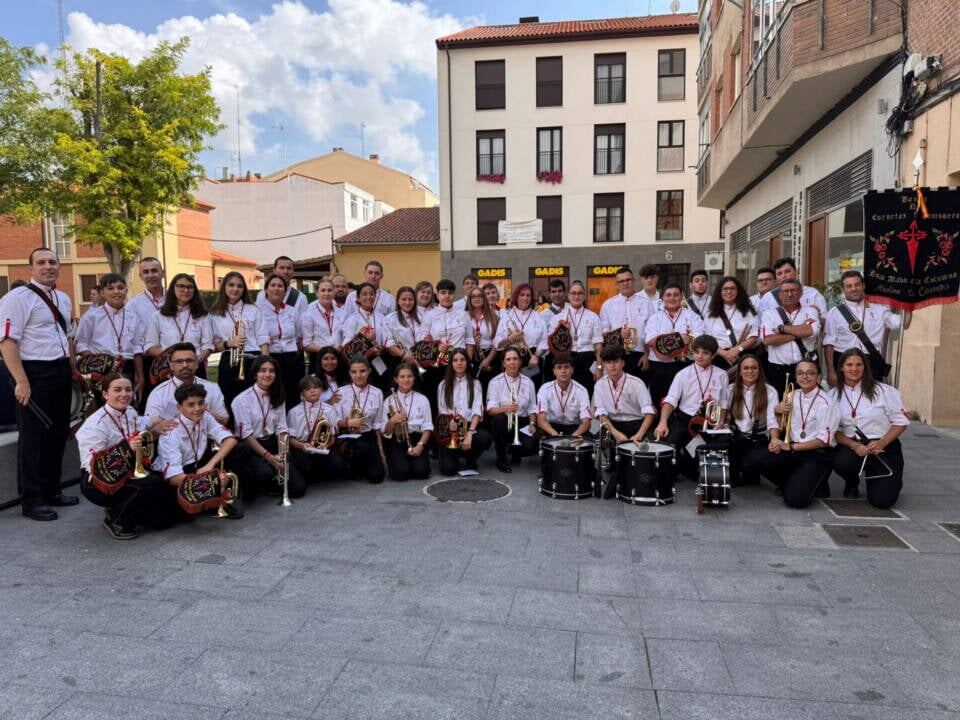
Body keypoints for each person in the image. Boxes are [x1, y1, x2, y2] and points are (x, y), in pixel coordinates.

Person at [0, 248, 77, 520]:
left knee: (58, 432)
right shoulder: (16, 299)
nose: (48, 266)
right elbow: (7, 341)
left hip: (60, 370)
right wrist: (21, 380)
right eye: (41, 262)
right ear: (30, 267)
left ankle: (52, 489)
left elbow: (67, 336)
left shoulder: (63, 298)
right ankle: (32, 499)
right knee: (33, 438)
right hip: (34, 372)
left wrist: (73, 369)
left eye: (52, 262)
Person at [75, 373, 182, 539]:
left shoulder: (129, 411)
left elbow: (145, 422)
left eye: (128, 390)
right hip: (98, 480)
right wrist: (125, 448)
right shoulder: (94, 425)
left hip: (130, 469)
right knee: (150, 483)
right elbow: (95, 466)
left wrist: (162, 424)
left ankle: (130, 509)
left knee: (164, 520)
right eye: (117, 390)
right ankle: (117, 520)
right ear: (105, 394)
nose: (124, 394)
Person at [832, 348, 908, 507]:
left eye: (859, 364)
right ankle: (852, 481)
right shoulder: (832, 395)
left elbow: (901, 422)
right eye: (849, 364)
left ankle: (889, 481)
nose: (854, 369)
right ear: (841, 367)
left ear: (865, 367)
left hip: (883, 446)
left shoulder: (884, 391)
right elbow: (834, 430)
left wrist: (882, 442)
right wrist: (854, 445)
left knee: (883, 502)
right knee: (842, 461)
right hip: (853, 446)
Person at [155, 382, 243, 518]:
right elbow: (174, 478)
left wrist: (210, 465)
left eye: (201, 403)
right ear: (179, 407)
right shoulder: (171, 433)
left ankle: (213, 500)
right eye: (191, 405)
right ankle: (211, 498)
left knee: (239, 450)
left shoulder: (205, 416)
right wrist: (210, 481)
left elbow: (230, 439)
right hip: (176, 476)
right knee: (172, 518)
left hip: (198, 465)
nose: (197, 408)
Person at [654, 335, 730, 480]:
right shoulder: (683, 374)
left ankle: (696, 467)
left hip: (710, 421)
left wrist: (721, 421)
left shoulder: (722, 375)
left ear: (713, 355)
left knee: (721, 448)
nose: (700, 356)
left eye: (705, 353)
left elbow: (724, 403)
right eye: (697, 352)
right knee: (667, 448)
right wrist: (663, 422)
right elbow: (670, 401)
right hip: (685, 420)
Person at [231, 355, 305, 500]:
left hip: (273, 443)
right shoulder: (241, 400)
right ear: (255, 374)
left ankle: (271, 478)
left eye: (271, 371)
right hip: (252, 447)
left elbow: (282, 428)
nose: (267, 374)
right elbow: (246, 436)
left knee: (298, 489)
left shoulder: (278, 395)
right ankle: (258, 479)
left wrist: (282, 455)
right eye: (262, 370)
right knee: (264, 473)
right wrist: (269, 457)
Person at [768, 359, 839, 508]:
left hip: (816, 453)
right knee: (756, 459)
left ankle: (814, 482)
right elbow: (779, 422)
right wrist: (777, 411)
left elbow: (824, 440)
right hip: (793, 449)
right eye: (800, 373)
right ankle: (795, 480)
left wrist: (792, 447)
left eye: (810, 373)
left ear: (819, 377)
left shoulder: (826, 403)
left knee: (795, 500)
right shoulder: (791, 395)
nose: (804, 376)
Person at [823, 270, 900, 385]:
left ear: (863, 286)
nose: (854, 288)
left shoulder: (879, 309)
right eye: (849, 286)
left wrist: (909, 308)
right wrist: (830, 371)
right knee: (845, 401)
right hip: (844, 362)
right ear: (843, 290)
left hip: (871, 362)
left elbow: (900, 323)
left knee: (872, 401)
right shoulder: (834, 313)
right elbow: (829, 344)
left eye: (857, 284)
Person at [74, 273, 143, 395]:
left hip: (128, 367)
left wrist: (140, 376)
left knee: (127, 405)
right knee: (104, 405)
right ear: (102, 292)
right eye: (110, 288)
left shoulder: (133, 317)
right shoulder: (91, 317)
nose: (116, 292)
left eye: (120, 288)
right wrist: (99, 362)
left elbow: (137, 347)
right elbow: (80, 344)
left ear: (126, 290)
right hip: (102, 369)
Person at [208, 272, 268, 413]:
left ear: (244, 289)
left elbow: (263, 337)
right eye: (231, 285)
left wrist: (265, 363)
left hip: (252, 359)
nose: (235, 289)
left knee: (255, 401)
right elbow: (214, 345)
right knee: (229, 399)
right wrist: (229, 343)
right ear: (224, 287)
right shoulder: (214, 313)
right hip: (228, 359)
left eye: (239, 286)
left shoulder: (254, 310)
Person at [644, 283, 705, 408]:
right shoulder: (654, 318)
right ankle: (660, 425)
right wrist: (680, 339)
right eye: (668, 295)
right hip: (658, 366)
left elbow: (698, 338)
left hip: (685, 364)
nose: (672, 298)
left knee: (685, 399)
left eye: (676, 295)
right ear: (662, 299)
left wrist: (665, 342)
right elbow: (650, 340)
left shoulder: (693, 317)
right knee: (658, 399)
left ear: (682, 297)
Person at [143, 273, 213, 379]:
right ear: (173, 288)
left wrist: (195, 361)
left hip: (195, 368)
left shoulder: (203, 315)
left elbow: (207, 345)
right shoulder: (158, 316)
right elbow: (150, 345)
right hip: (168, 369)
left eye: (190, 287)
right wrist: (170, 360)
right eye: (181, 286)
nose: (186, 290)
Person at [725, 354, 781, 486]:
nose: (750, 371)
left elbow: (772, 420)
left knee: (749, 470)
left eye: (754, 368)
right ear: (739, 371)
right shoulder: (731, 389)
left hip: (758, 440)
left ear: (759, 370)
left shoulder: (770, 391)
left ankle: (749, 469)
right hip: (737, 438)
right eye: (746, 368)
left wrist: (774, 438)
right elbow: (726, 414)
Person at [540, 281, 603, 394]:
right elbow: (552, 345)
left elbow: (598, 345)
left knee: (586, 395)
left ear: (584, 296)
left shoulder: (593, 317)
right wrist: (562, 330)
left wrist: (599, 367)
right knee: (566, 395)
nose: (576, 296)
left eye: (580, 293)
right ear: (568, 296)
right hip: (566, 358)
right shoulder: (558, 318)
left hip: (587, 358)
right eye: (573, 293)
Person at [436, 348, 492, 475]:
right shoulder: (443, 385)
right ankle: (453, 456)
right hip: (450, 427)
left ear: (467, 362)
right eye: (455, 360)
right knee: (448, 470)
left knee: (485, 438)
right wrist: (450, 424)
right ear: (451, 364)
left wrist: (470, 433)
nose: (459, 363)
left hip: (468, 425)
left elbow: (478, 410)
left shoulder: (476, 383)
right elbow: (442, 410)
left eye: (462, 360)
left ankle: (470, 457)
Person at [760, 279, 820, 395]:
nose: (789, 294)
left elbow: (811, 330)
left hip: (806, 368)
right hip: (778, 370)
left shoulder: (811, 311)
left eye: (794, 290)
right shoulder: (769, 314)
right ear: (779, 294)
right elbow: (768, 340)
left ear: (801, 293)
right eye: (785, 291)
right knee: (780, 407)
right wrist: (800, 331)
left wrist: (782, 329)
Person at [418, 279, 468, 418]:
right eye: (443, 293)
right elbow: (422, 339)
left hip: (458, 363)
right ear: (438, 295)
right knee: (435, 397)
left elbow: (469, 341)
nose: (447, 296)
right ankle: (438, 430)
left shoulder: (463, 315)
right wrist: (436, 345)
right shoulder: (429, 315)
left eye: (450, 293)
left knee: (457, 396)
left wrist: (468, 362)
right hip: (437, 364)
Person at [145, 343, 229, 425]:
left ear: (196, 364)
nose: (185, 365)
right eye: (179, 361)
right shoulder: (159, 393)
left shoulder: (211, 387)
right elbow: (149, 427)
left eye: (189, 360)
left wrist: (206, 414)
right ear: (171, 366)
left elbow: (224, 420)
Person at [287, 375, 350, 483]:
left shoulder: (329, 410)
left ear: (321, 390)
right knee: (306, 467)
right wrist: (302, 446)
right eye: (307, 389)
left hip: (323, 448)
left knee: (339, 466)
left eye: (315, 387)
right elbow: (291, 439)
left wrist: (327, 445)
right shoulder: (293, 412)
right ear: (302, 393)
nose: (312, 391)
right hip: (302, 448)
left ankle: (318, 472)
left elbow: (333, 436)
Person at [486, 347, 538, 473]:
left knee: (533, 444)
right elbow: (490, 410)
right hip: (504, 420)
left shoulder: (528, 382)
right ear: (504, 363)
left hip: (522, 421)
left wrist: (532, 423)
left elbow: (532, 408)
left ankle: (515, 451)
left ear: (520, 362)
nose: (512, 362)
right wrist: (506, 408)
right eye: (508, 359)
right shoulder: (495, 382)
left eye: (515, 359)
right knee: (498, 420)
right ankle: (501, 460)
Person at [335, 355, 386, 483]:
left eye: (362, 371)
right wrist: (348, 422)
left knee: (377, 476)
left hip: (368, 435)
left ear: (369, 371)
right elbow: (334, 421)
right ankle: (351, 466)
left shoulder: (377, 392)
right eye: (354, 372)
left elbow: (377, 423)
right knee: (361, 449)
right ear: (349, 373)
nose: (358, 375)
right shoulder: (341, 392)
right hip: (348, 435)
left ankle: (364, 465)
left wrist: (380, 450)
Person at [591, 345, 657, 444]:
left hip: (636, 424)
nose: (612, 366)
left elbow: (650, 413)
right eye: (608, 362)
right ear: (604, 365)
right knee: (598, 441)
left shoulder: (637, 383)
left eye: (616, 361)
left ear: (623, 363)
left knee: (650, 444)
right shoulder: (599, 385)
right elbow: (601, 414)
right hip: (613, 425)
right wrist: (615, 433)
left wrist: (639, 435)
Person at [381, 363, 433, 482]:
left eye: (409, 376)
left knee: (422, 472)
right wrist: (392, 421)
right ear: (396, 379)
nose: (406, 380)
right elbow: (385, 431)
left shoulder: (422, 399)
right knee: (400, 474)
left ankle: (410, 462)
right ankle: (398, 461)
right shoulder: (388, 401)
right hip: (397, 440)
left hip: (417, 439)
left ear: (414, 378)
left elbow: (428, 427)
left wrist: (420, 446)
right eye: (402, 377)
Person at [128, 257, 166, 411]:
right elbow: (134, 339)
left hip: (176, 359)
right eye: (146, 272)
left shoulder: (176, 298)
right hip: (149, 362)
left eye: (154, 270)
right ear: (140, 276)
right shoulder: (133, 305)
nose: (151, 275)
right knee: (151, 406)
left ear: (162, 273)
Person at [260, 273, 303, 410]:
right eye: (273, 285)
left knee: (293, 397)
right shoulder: (258, 312)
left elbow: (297, 335)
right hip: (272, 358)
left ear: (285, 291)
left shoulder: (292, 312)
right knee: (274, 398)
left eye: (280, 286)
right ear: (266, 289)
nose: (276, 289)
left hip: (292, 359)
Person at [599, 266, 650, 379]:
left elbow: (650, 333)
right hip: (615, 356)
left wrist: (647, 355)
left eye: (628, 280)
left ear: (634, 281)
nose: (625, 283)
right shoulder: (608, 305)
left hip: (639, 356)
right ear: (616, 284)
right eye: (621, 281)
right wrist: (618, 334)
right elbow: (604, 334)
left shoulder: (646, 304)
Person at [702, 276, 759, 370]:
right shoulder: (710, 314)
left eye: (732, 288)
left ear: (738, 291)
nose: (729, 292)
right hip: (719, 357)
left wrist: (737, 350)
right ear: (719, 292)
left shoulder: (749, 311)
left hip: (744, 356)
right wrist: (725, 354)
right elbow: (708, 340)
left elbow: (754, 337)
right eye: (725, 289)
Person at [342, 281, 391, 391]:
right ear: (358, 298)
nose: (368, 297)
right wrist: (365, 340)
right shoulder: (352, 320)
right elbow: (346, 348)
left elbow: (387, 340)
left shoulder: (382, 318)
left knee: (382, 388)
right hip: (359, 364)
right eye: (364, 294)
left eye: (371, 294)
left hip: (379, 361)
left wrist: (382, 348)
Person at [493, 283, 546, 377]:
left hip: (532, 361)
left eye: (528, 295)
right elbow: (497, 342)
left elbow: (544, 341)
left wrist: (536, 356)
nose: (525, 298)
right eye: (522, 295)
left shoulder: (538, 317)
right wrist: (510, 339)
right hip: (511, 359)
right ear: (516, 296)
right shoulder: (507, 316)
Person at [536, 354, 592, 437]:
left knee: (589, 438)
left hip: (573, 428)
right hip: (551, 427)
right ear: (554, 371)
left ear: (572, 370)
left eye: (566, 367)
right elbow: (541, 420)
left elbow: (586, 422)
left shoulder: (582, 391)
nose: (563, 371)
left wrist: (574, 436)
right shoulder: (545, 389)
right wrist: (554, 434)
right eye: (559, 367)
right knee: (535, 439)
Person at [756, 257, 827, 316]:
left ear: (796, 272)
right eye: (779, 274)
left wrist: (815, 316)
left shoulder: (813, 294)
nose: (784, 276)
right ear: (776, 278)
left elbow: (825, 320)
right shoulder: (768, 298)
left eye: (787, 271)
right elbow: (761, 326)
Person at [302, 277, 344, 376]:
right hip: (318, 357)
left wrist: (340, 347)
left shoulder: (343, 313)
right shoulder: (309, 314)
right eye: (323, 290)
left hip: (338, 357)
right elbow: (306, 344)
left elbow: (346, 336)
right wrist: (327, 351)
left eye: (330, 290)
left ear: (334, 292)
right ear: (317, 293)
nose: (326, 293)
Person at [464, 286, 500, 393]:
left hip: (491, 357)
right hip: (471, 357)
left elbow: (497, 341)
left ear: (484, 298)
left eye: (479, 296)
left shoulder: (494, 316)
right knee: (474, 391)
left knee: (490, 391)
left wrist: (488, 360)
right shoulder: (463, 316)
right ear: (469, 300)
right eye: (473, 296)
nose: (477, 298)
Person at [384, 286, 423, 378]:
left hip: (419, 361)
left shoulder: (421, 317)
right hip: (399, 361)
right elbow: (389, 344)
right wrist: (405, 355)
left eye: (411, 299)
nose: (407, 302)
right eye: (404, 299)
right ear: (398, 301)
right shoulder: (390, 319)